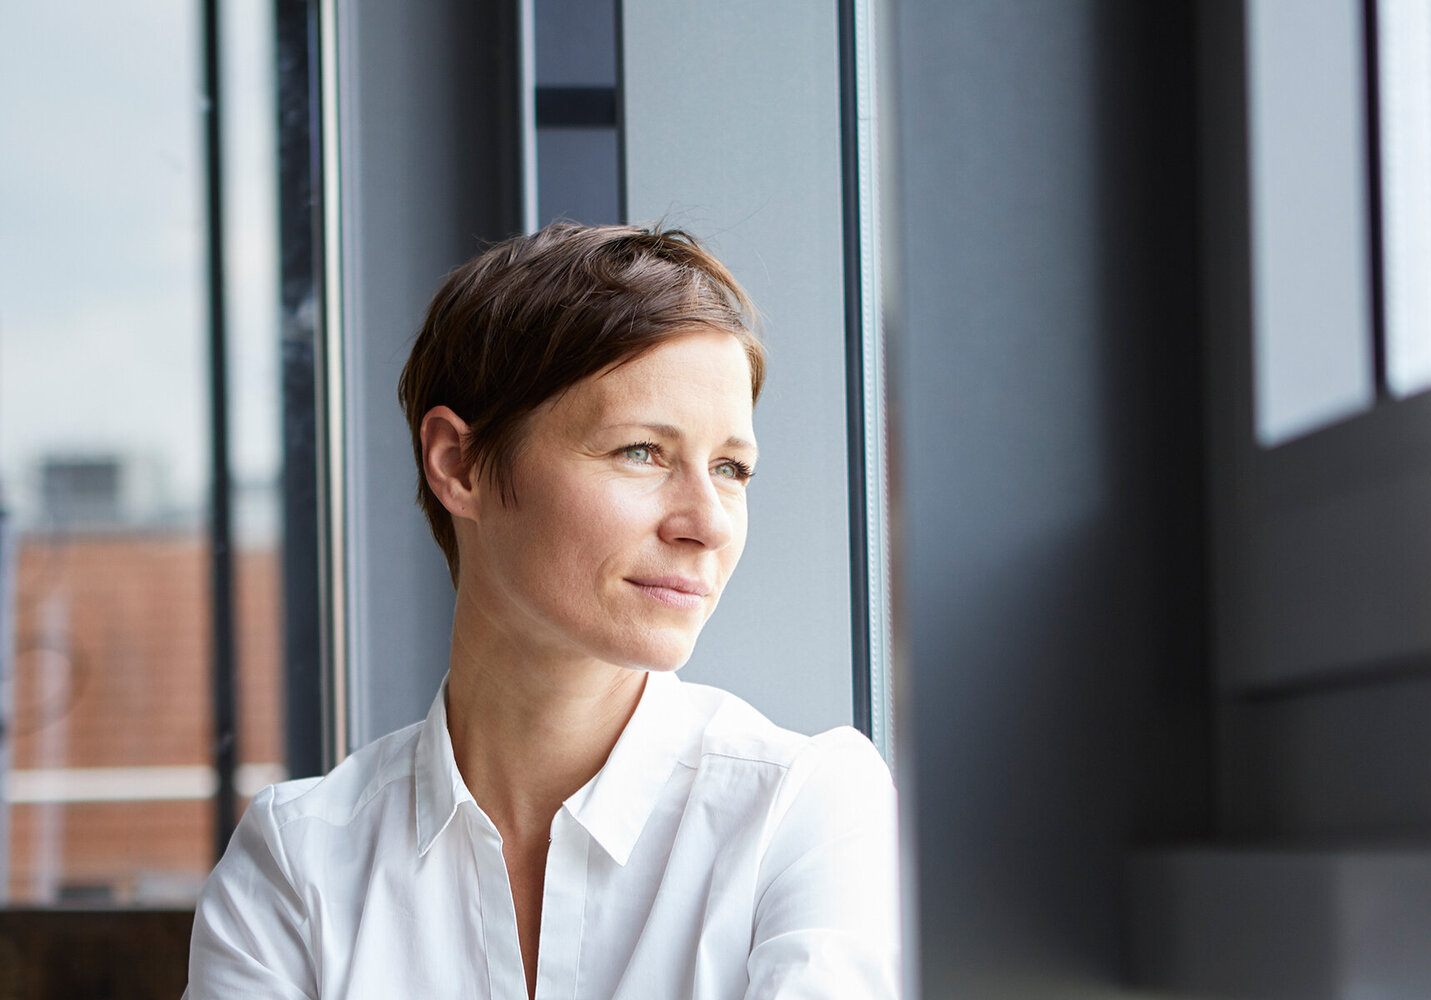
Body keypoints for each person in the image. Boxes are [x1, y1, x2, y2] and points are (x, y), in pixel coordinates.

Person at [184, 223, 901, 999]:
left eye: (731, 467)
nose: (709, 522)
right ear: (458, 465)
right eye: (641, 452)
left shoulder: (804, 813)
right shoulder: (299, 861)